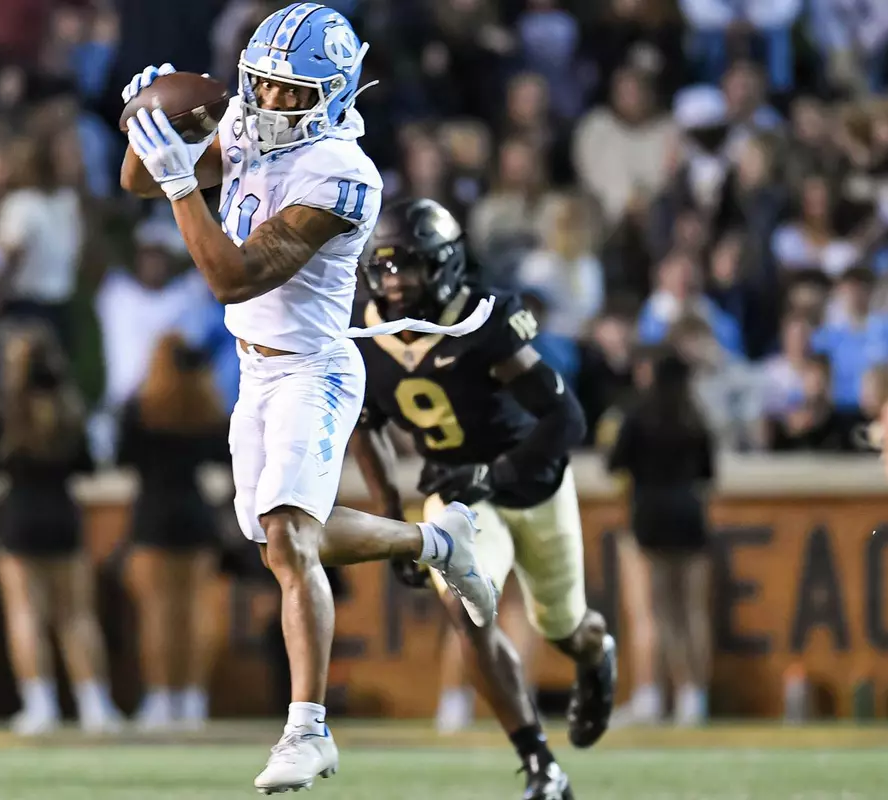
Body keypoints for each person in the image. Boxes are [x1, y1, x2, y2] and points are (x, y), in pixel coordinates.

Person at [120, 5, 499, 792]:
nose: (267, 103)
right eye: (261, 84)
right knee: (285, 544)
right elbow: (133, 182)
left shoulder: (343, 174)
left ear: (332, 95)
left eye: (290, 92)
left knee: (291, 540)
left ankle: (308, 729)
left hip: (313, 369)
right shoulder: (253, 120)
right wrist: (145, 121)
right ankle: (439, 544)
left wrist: (182, 180)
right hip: (253, 371)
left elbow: (232, 273)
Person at [349, 199, 617, 799]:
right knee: (469, 610)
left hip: (532, 481)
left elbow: (566, 417)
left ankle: (596, 659)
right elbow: (362, 426)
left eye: (410, 268)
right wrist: (393, 518)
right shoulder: (359, 328)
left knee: (566, 628)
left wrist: (496, 474)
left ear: (444, 267)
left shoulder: (481, 317)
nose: (396, 284)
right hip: (455, 494)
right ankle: (540, 762)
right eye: (385, 267)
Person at [0, 325, 123, 737]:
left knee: (25, 614)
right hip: (63, 514)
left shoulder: (2, 412)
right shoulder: (70, 410)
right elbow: (88, 467)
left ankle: (40, 706)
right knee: (77, 615)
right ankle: (94, 704)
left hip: (19, 516)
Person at [118, 333, 230, 731]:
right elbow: (227, 459)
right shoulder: (207, 407)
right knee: (198, 609)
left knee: (157, 613)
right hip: (196, 514)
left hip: (152, 515)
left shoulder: (140, 408)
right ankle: (194, 700)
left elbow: (121, 458)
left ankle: (162, 699)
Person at [606, 349, 716, 726]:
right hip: (690, 516)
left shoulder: (638, 415)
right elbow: (707, 474)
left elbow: (614, 464)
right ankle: (693, 697)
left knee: (650, 613)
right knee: (693, 613)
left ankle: (650, 695)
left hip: (649, 517)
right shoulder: (695, 418)